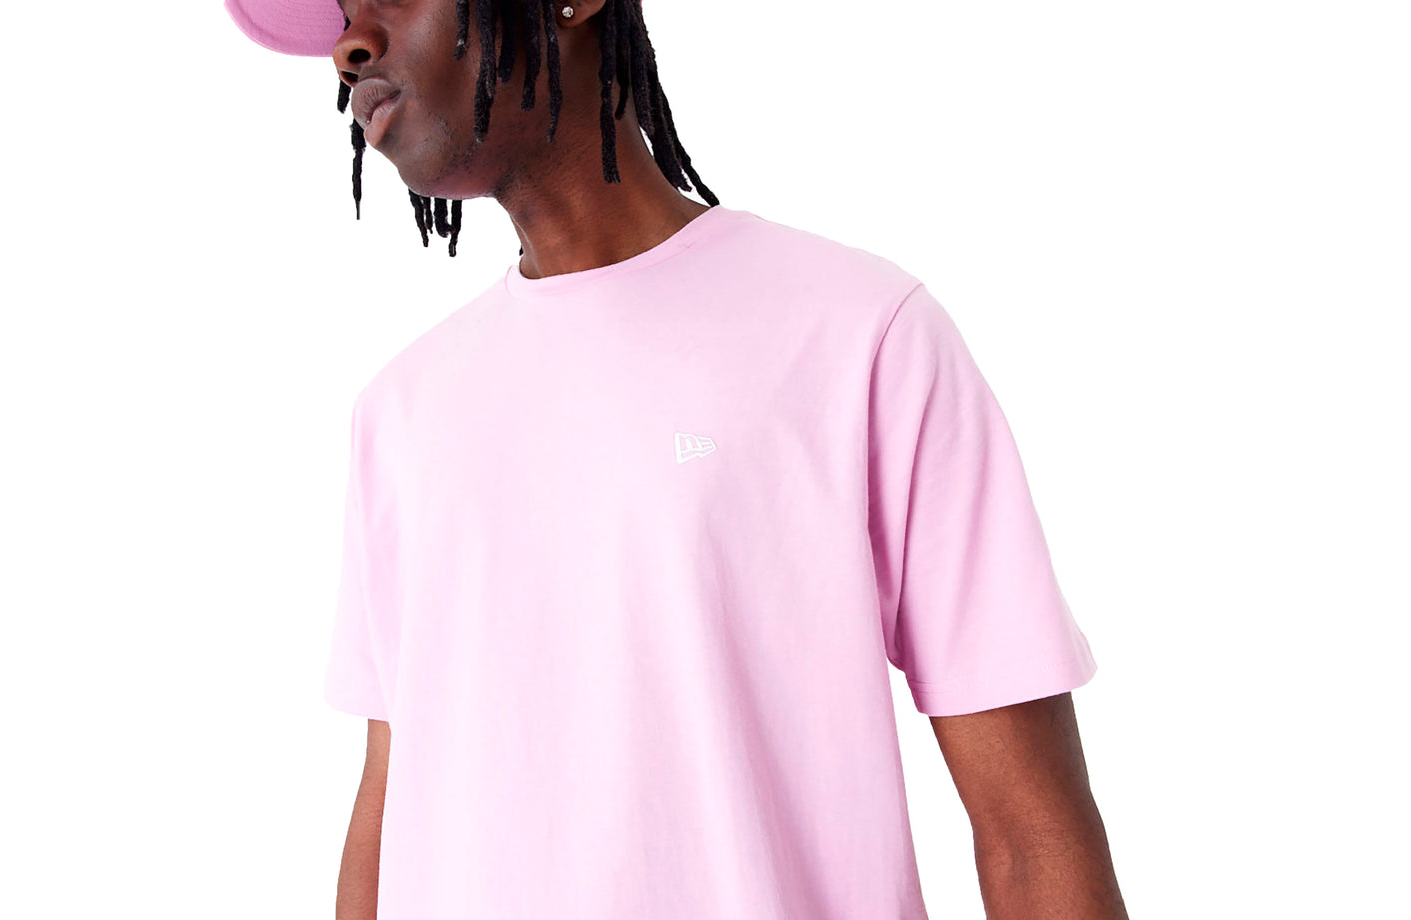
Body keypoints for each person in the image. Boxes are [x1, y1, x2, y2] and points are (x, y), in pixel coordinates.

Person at [223, 2, 1129, 918]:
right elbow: (389, 813)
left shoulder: (860, 335)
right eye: (344, 12)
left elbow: (1029, 833)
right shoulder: (400, 413)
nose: (350, 45)